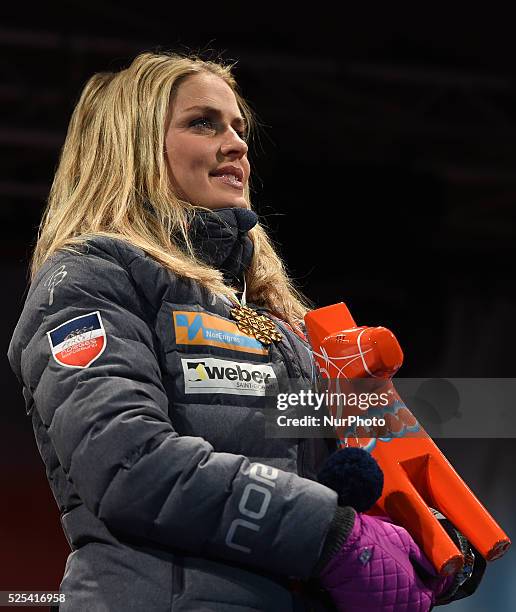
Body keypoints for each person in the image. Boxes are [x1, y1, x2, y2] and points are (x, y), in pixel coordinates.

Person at [8, 51, 481, 611]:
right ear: (130, 145)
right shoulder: (89, 278)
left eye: (238, 127)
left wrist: (425, 539)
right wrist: (332, 536)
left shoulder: (278, 321)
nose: (236, 144)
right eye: (203, 123)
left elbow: (334, 474)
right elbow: (131, 466)